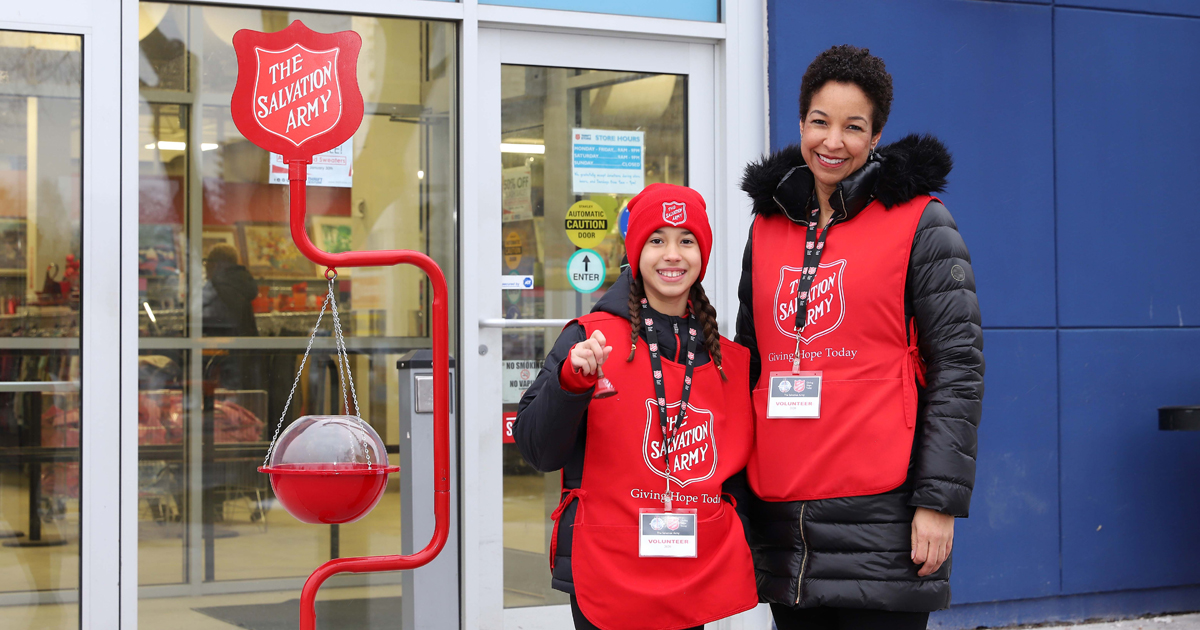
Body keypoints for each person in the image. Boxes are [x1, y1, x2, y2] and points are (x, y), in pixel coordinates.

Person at [734, 45, 985, 629]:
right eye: (820, 122)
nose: (833, 141)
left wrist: (937, 503)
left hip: (883, 514)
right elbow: (751, 364)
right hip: (786, 513)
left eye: (854, 127)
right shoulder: (768, 226)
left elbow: (959, 367)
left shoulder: (923, 222)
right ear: (800, 125)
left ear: (876, 137)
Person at [515, 184, 758, 630]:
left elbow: (739, 471)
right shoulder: (590, 337)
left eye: (686, 240)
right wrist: (572, 383)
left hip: (691, 565)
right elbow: (537, 449)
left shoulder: (726, 358)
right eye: (657, 240)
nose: (672, 255)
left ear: (701, 253)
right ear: (635, 251)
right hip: (607, 564)